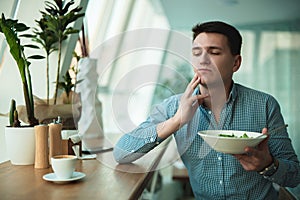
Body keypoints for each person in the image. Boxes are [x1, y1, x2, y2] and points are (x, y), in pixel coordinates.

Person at [113, 21, 300, 199]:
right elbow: (122, 153)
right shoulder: (173, 107)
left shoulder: (264, 104)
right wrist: (177, 120)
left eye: (214, 52)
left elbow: (294, 175)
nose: (202, 60)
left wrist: (268, 165)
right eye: (196, 52)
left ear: (236, 63)